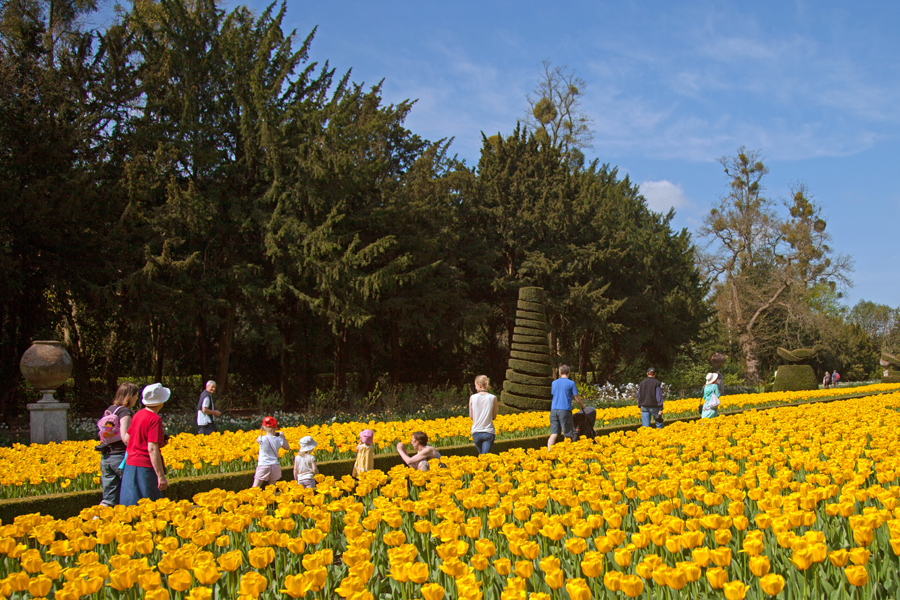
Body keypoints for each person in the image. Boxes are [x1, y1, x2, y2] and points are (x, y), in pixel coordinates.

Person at [120, 383, 170, 506]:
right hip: (145, 467)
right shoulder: (154, 419)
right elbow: (152, 449)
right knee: (150, 508)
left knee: (130, 507)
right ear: (161, 402)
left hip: (130, 465)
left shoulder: (138, 414)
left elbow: (127, 439)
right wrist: (161, 476)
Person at [98, 382, 140, 507]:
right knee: (131, 492)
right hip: (120, 458)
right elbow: (125, 437)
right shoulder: (124, 412)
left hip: (106, 457)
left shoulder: (109, 410)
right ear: (130, 396)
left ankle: (96, 519)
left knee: (109, 497)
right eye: (136, 396)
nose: (137, 399)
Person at [547, 365, 586, 449]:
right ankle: (567, 453)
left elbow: (555, 395)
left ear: (560, 372)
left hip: (553, 411)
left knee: (554, 434)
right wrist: (582, 406)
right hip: (564, 411)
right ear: (569, 372)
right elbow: (577, 399)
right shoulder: (571, 383)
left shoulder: (554, 383)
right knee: (567, 434)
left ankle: (549, 452)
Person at [253, 416, 290, 488]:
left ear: (263, 428)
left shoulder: (261, 438)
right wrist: (282, 437)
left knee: (255, 487)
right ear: (276, 428)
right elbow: (287, 447)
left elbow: (257, 440)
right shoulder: (278, 440)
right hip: (275, 466)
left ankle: (253, 499)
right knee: (271, 487)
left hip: (263, 465)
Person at [469, 375, 498, 454]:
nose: (475, 388)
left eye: (475, 385)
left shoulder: (472, 397)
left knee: (482, 457)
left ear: (480, 385)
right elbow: (494, 417)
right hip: (488, 431)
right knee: (485, 458)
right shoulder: (493, 398)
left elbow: (471, 417)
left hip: (476, 432)